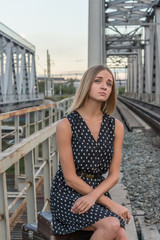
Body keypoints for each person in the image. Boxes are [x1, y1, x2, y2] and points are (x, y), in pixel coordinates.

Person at [50, 65, 130, 240]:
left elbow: (114, 174)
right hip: (67, 193)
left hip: (97, 190)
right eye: (98, 81)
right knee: (112, 224)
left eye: (109, 84)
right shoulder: (66, 124)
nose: (104, 87)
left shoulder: (116, 126)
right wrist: (111, 204)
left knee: (121, 234)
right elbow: (70, 178)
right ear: (87, 84)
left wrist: (94, 197)